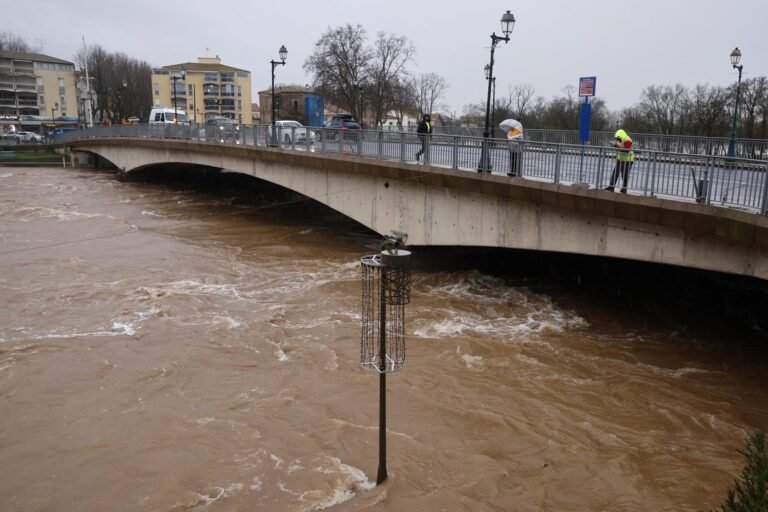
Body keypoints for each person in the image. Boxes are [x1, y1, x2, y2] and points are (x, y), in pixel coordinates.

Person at [606, 129, 634, 193]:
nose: (617, 139)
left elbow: (626, 150)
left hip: (628, 160)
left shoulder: (628, 140)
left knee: (625, 175)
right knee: (615, 173)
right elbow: (619, 149)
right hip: (620, 159)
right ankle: (611, 187)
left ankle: (624, 188)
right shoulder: (619, 140)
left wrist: (617, 147)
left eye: (618, 138)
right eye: (616, 138)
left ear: (621, 136)